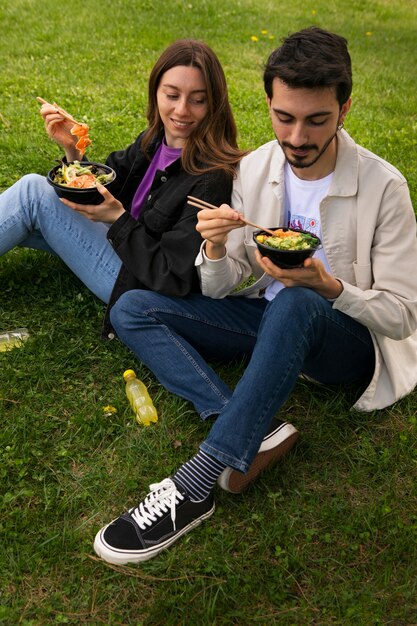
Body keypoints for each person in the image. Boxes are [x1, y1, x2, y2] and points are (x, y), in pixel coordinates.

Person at [93, 27, 417, 565]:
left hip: (347, 344)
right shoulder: (256, 168)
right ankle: (254, 426)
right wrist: (216, 250)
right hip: (267, 323)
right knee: (133, 307)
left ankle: (194, 486)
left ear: (345, 108)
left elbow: (403, 317)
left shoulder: (384, 187)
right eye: (283, 116)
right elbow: (226, 283)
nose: (297, 137)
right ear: (269, 102)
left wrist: (328, 287)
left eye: (317, 120)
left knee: (296, 301)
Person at [0, 39, 246, 336]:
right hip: (120, 248)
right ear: (156, 92)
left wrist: (117, 219)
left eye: (198, 99)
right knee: (32, 203)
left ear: (214, 104)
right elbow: (105, 189)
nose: (182, 110)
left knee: (31, 194)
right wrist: (74, 152)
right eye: (172, 95)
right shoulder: (154, 139)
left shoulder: (211, 178)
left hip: (135, 282)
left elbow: (172, 276)